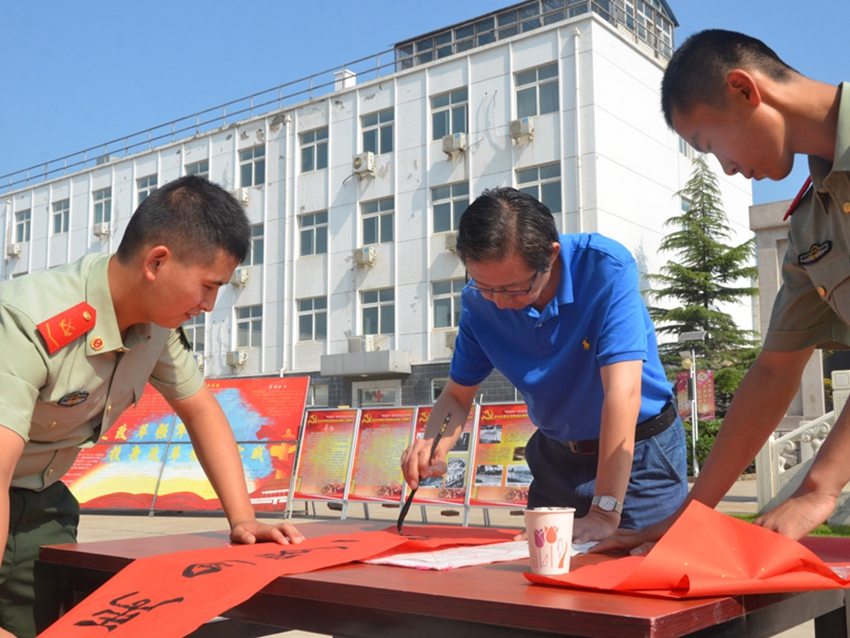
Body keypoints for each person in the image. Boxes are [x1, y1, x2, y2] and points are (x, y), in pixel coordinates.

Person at [0, 175, 304, 638]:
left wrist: (243, 520)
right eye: (207, 285)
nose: (209, 305)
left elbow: (200, 410)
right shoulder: (27, 321)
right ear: (157, 261)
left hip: (40, 506)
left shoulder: (154, 324)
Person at [594, 28, 849, 556]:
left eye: (711, 146)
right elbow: (776, 371)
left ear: (744, 89)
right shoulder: (811, 223)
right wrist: (689, 517)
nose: (727, 168)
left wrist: (819, 487)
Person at [400, 187, 688, 542]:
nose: (499, 303)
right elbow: (457, 398)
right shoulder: (479, 303)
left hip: (639, 456)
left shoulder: (605, 268)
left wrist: (604, 511)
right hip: (556, 459)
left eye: (513, 288)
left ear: (551, 256)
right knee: (543, 581)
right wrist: (432, 445)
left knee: (643, 577)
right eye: (484, 286)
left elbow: (623, 392)